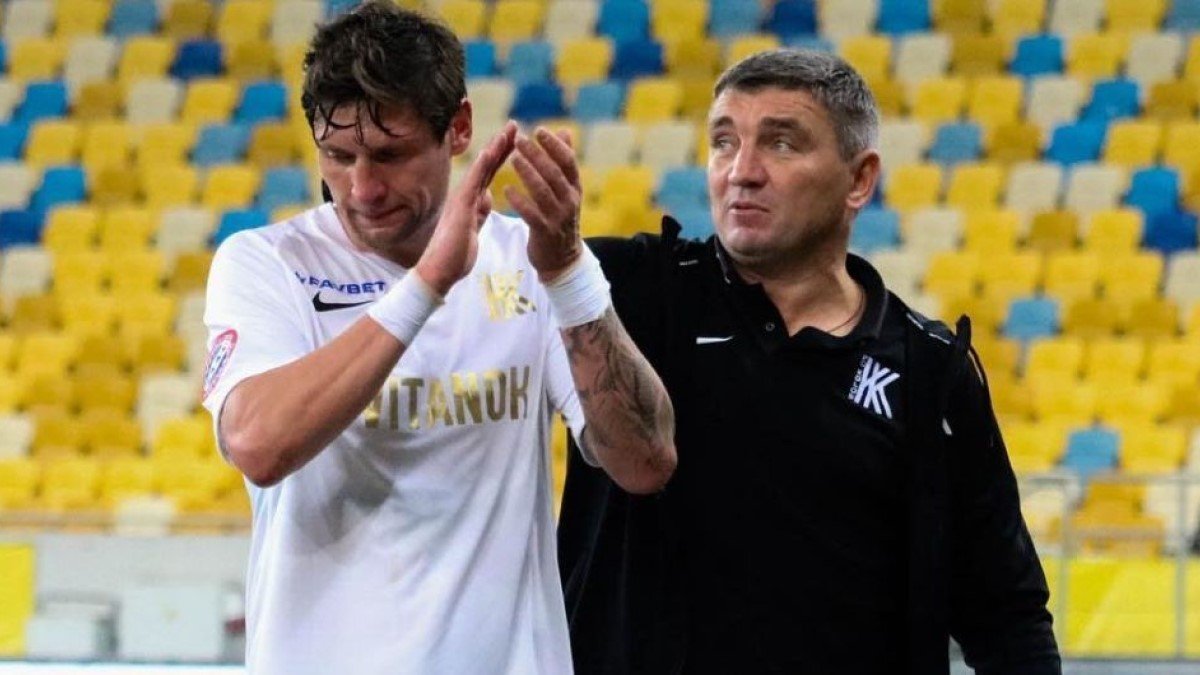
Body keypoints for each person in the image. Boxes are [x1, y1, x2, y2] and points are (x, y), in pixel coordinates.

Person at [200, 3, 676, 673]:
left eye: (389, 155)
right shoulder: (266, 263)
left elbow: (645, 461)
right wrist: (428, 283)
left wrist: (569, 272)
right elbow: (258, 444)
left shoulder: (530, 262)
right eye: (338, 156)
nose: (362, 188)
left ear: (458, 128)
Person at [557, 49, 1061, 674]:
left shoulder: (929, 370)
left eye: (781, 143)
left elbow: (1006, 614)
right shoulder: (620, 295)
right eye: (723, 142)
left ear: (859, 180)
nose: (741, 172)